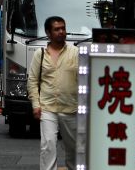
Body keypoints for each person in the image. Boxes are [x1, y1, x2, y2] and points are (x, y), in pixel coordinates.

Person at [28, 16, 79, 170]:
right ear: (48, 32)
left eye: (63, 28)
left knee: (74, 149)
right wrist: (35, 105)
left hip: (71, 109)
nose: (61, 32)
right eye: (57, 29)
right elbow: (32, 80)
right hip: (47, 108)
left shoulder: (76, 52)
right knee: (48, 146)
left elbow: (86, 80)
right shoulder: (40, 54)